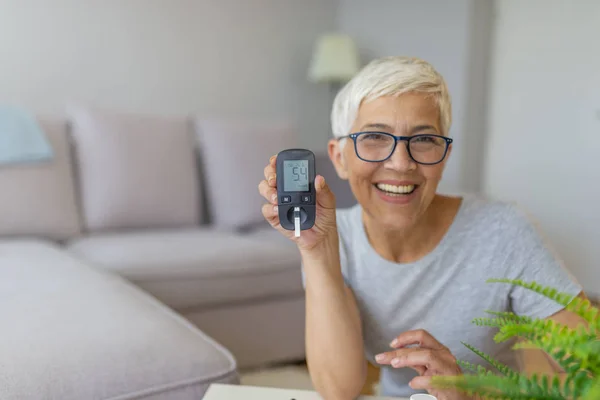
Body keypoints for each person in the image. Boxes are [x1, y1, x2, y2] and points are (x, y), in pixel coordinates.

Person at [258, 56, 590, 399]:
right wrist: (317, 252)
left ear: (444, 156)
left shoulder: (504, 232)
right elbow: (339, 389)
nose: (401, 163)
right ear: (339, 157)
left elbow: (589, 371)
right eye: (374, 137)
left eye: (424, 140)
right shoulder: (331, 236)